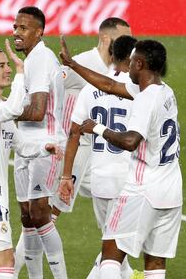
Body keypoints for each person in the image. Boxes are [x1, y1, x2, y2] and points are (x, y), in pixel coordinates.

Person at [59, 37, 181, 279]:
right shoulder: (164, 91)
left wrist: (97, 128)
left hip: (142, 188)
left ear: (138, 64)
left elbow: (130, 141)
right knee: (155, 263)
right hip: (171, 191)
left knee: (111, 254)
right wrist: (73, 65)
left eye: (133, 59)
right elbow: (109, 85)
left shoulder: (146, 99)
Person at [0, 41, 63, 279]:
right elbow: (14, 109)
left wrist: (45, 148)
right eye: (1, 65)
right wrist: (20, 74)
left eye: (8, 65)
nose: (7, 68)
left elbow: (22, 145)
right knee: (6, 260)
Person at [58, 35, 141, 279]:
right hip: (130, 181)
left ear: (112, 56)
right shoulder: (139, 90)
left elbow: (74, 131)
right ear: (136, 59)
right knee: (113, 253)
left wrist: (66, 176)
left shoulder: (89, 89)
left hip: (101, 180)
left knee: (112, 246)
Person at [52, 17, 132, 215]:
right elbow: (50, 87)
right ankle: (25, 247)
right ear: (105, 38)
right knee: (52, 210)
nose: (128, 45)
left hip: (98, 152)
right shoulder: (82, 63)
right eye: (123, 38)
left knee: (119, 204)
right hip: (75, 147)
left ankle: (114, 244)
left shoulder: (119, 71)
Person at [12, 6, 67, 279]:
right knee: (26, 216)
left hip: (45, 144)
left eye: (23, 28)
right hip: (25, 144)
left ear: (39, 31)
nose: (16, 33)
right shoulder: (31, 59)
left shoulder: (42, 58)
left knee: (40, 213)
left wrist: (4, 110)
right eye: (15, 27)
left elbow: (37, 111)